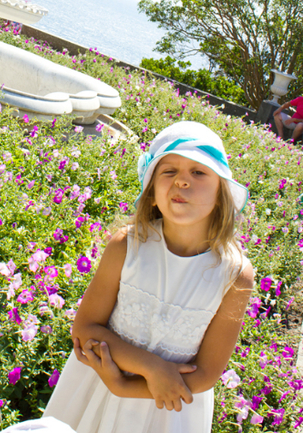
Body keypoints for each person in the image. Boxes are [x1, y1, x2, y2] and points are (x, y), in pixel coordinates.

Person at [43, 121, 253, 433]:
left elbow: (207, 373)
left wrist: (127, 387)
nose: (182, 181)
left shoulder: (235, 274)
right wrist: (150, 368)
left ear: (222, 194)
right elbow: (85, 328)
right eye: (169, 171)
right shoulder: (127, 246)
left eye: (198, 172)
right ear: (151, 192)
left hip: (169, 409)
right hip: (96, 388)